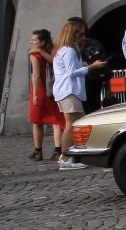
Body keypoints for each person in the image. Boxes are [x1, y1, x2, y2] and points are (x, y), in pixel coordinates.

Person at [52, 17, 105, 171]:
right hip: (69, 90)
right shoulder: (68, 50)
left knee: (80, 122)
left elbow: (70, 68)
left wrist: (82, 64)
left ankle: (76, 154)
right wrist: (92, 67)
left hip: (69, 90)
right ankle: (65, 158)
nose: (83, 37)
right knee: (71, 125)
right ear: (72, 34)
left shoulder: (67, 49)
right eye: (80, 34)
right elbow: (71, 73)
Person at [26, 28, 64, 161]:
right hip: (53, 89)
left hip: (41, 89)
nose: (31, 42)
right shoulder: (52, 51)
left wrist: (35, 94)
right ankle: (57, 150)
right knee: (56, 120)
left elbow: (35, 75)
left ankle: (38, 151)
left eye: (34, 40)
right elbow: (54, 61)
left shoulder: (35, 55)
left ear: (42, 42)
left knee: (37, 121)